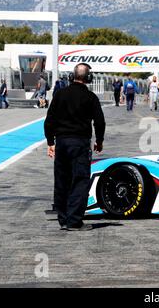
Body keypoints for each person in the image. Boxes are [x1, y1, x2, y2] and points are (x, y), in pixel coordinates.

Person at [44, 63, 106, 231]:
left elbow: (49, 120)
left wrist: (51, 142)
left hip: (62, 142)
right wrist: (99, 141)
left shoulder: (60, 94)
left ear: (72, 76)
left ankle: (63, 219)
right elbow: (99, 122)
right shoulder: (91, 97)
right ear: (88, 78)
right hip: (80, 143)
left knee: (62, 181)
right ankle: (74, 221)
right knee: (80, 181)